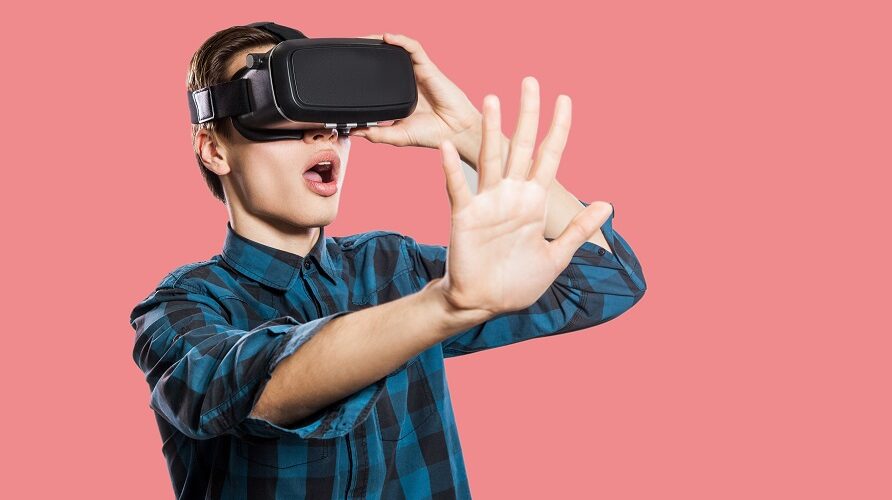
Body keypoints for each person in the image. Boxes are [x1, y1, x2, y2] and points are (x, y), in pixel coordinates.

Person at [129, 24, 647, 499]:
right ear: (214, 147)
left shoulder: (391, 267)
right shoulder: (177, 311)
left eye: (328, 111)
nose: (321, 131)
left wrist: (464, 134)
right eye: (279, 110)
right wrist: (441, 308)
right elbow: (258, 390)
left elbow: (607, 278)